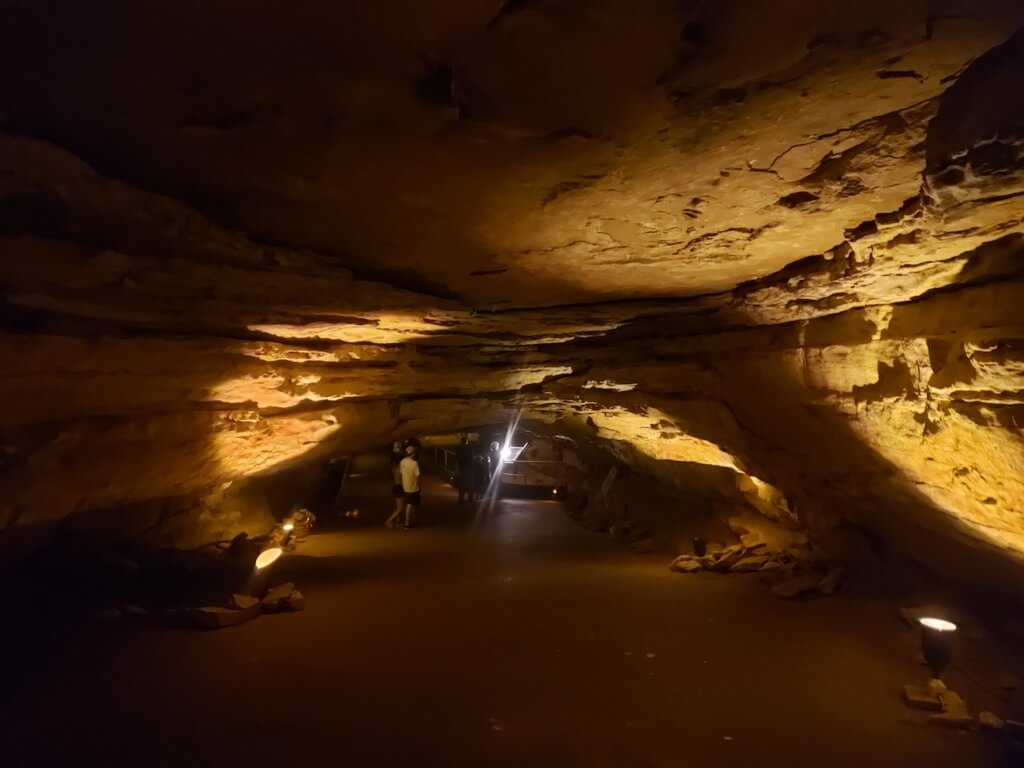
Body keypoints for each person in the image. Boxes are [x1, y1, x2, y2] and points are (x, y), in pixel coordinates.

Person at [399, 443, 421, 528]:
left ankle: (413, 520)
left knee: (412, 504)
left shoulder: (403, 461)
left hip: (405, 486)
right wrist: (419, 486)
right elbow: (417, 475)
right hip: (413, 487)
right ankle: (407, 523)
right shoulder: (414, 463)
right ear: (413, 453)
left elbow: (401, 473)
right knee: (410, 505)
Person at [385, 442, 405, 528]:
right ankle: (389, 520)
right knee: (401, 508)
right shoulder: (399, 469)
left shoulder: (394, 467)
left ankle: (397, 522)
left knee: (399, 506)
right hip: (399, 487)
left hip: (396, 487)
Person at [455, 435, 474, 504]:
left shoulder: (458, 448)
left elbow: (456, 457)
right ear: (466, 441)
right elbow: (471, 458)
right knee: (470, 484)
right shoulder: (469, 448)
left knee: (462, 484)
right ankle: (470, 498)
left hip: (461, 468)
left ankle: (461, 499)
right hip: (469, 468)